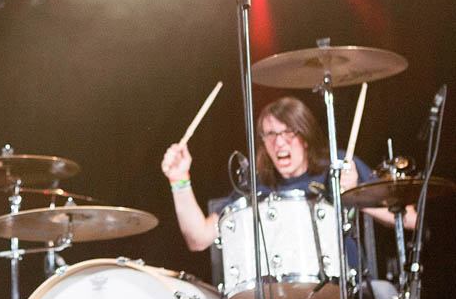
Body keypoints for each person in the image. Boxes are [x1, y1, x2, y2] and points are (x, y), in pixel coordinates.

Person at [161, 96, 415, 252]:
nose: (279, 143)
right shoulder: (258, 186)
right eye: (271, 135)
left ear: (305, 137)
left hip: (344, 298)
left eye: (288, 133)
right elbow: (199, 239)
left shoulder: (337, 166)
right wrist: (179, 180)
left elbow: (410, 219)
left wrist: (354, 196)